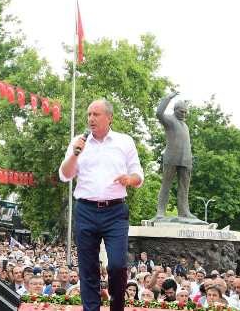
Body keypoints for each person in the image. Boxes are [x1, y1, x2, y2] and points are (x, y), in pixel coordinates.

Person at [59, 99, 144, 311]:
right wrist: (75, 153)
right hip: (86, 210)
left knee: (116, 265)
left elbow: (138, 175)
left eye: (96, 114)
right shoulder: (78, 142)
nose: (90, 119)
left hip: (115, 212)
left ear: (109, 117)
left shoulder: (124, 142)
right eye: (89, 114)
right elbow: (64, 175)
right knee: (88, 268)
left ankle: (117, 307)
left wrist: (129, 179)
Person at [154, 91, 197, 219]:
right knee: (166, 185)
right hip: (171, 158)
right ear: (175, 110)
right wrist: (168, 98)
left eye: (185, 112)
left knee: (184, 188)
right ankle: (161, 211)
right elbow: (158, 113)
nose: (184, 114)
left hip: (186, 160)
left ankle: (184, 212)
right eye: (181, 111)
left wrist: (190, 158)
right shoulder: (169, 120)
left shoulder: (185, 126)